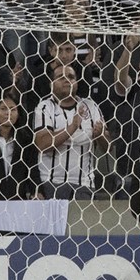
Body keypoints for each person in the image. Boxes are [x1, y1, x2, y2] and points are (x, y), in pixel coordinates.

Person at [32, 63, 109, 199]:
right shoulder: (45, 107)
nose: (67, 80)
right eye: (61, 77)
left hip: (83, 185)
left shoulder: (91, 106)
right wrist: (72, 127)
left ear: (77, 82)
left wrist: (100, 135)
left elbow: (108, 147)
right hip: (51, 184)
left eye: (71, 77)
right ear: (51, 83)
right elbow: (43, 144)